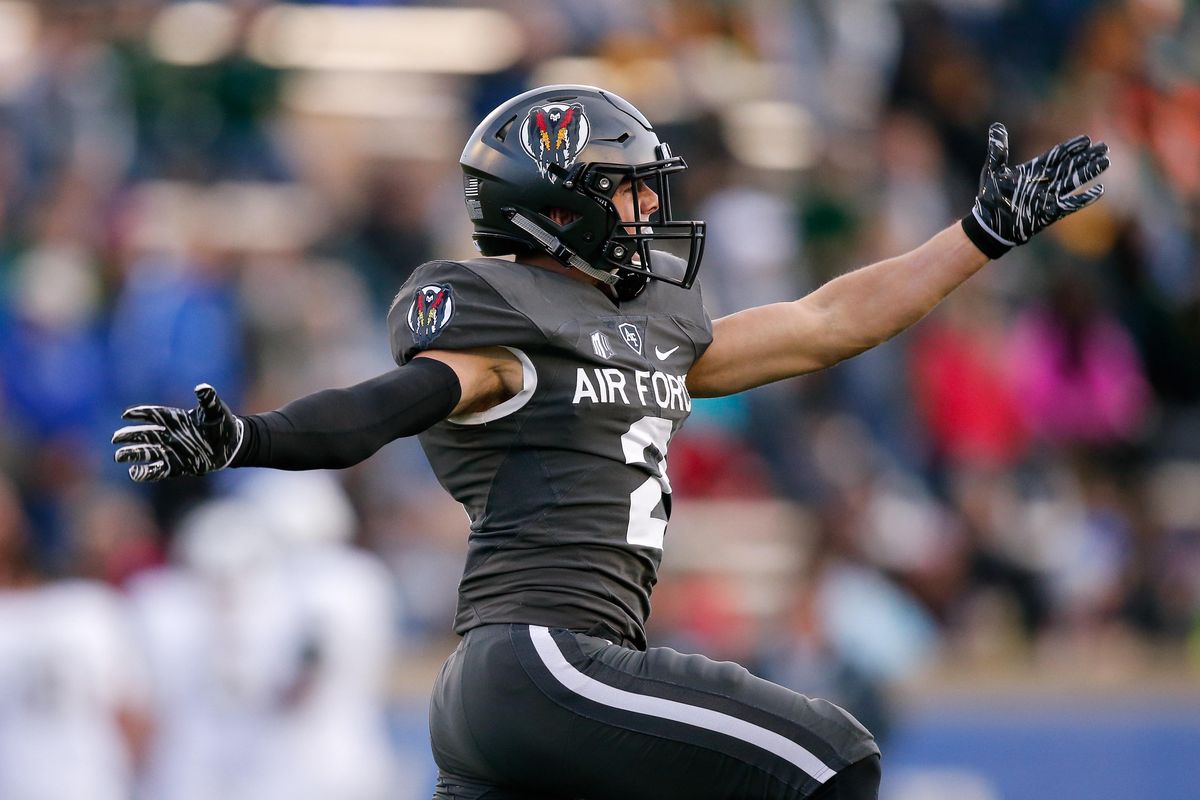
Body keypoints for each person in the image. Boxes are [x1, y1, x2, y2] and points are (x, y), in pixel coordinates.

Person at [112, 85, 1109, 799]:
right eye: (625, 191)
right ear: (557, 209)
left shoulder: (650, 337)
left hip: (521, 693)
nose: (647, 211)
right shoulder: (501, 329)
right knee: (830, 754)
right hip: (543, 659)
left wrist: (979, 232)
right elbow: (387, 403)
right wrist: (247, 435)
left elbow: (825, 320)